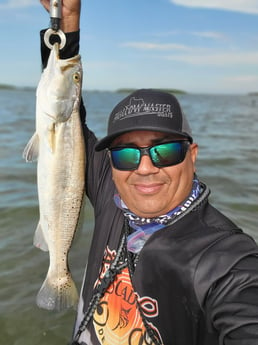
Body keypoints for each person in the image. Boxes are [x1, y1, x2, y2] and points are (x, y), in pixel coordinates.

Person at [40, 1, 258, 344]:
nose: (144, 168)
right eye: (126, 153)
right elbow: (64, 121)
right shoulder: (113, 191)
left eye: (165, 150)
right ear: (110, 164)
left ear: (192, 155)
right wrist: (66, 23)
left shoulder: (226, 259)